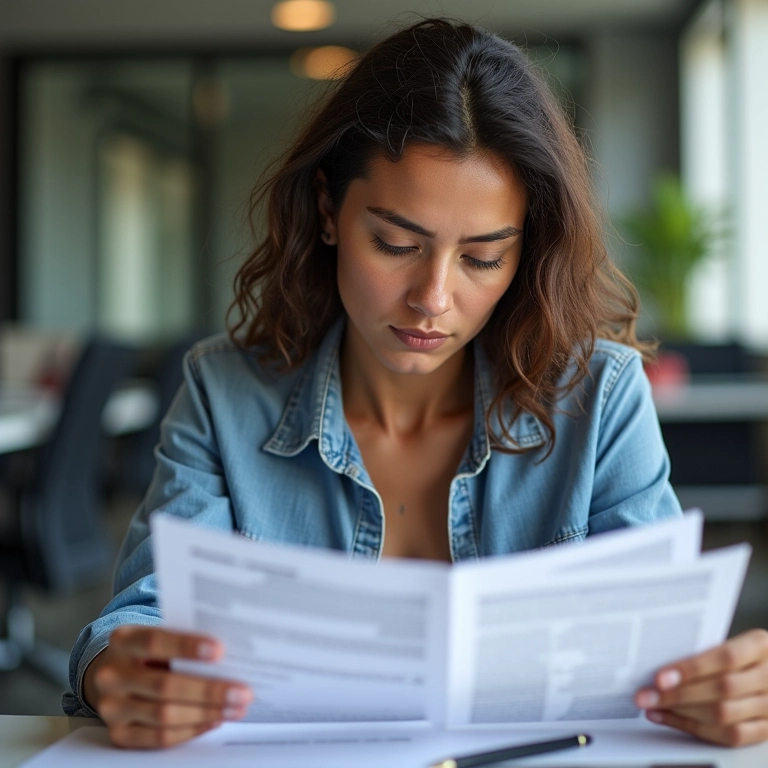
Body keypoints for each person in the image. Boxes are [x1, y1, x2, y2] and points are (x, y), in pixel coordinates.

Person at [64, 18, 768, 750]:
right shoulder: (222, 394)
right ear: (329, 212)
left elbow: (665, 644)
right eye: (396, 244)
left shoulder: (600, 399)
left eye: (483, 259)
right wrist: (117, 670)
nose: (432, 299)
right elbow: (144, 615)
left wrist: (726, 685)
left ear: (526, 252)